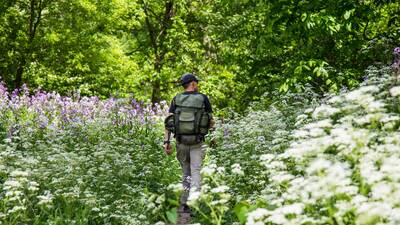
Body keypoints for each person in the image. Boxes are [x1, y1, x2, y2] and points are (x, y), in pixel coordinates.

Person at [163, 73, 214, 213]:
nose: (197, 84)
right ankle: (194, 203)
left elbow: (168, 123)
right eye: (196, 82)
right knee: (196, 171)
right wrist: (214, 137)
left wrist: (166, 142)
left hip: (181, 142)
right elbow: (211, 121)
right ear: (192, 83)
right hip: (197, 142)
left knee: (186, 171)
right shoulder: (203, 98)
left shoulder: (176, 99)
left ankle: (184, 202)